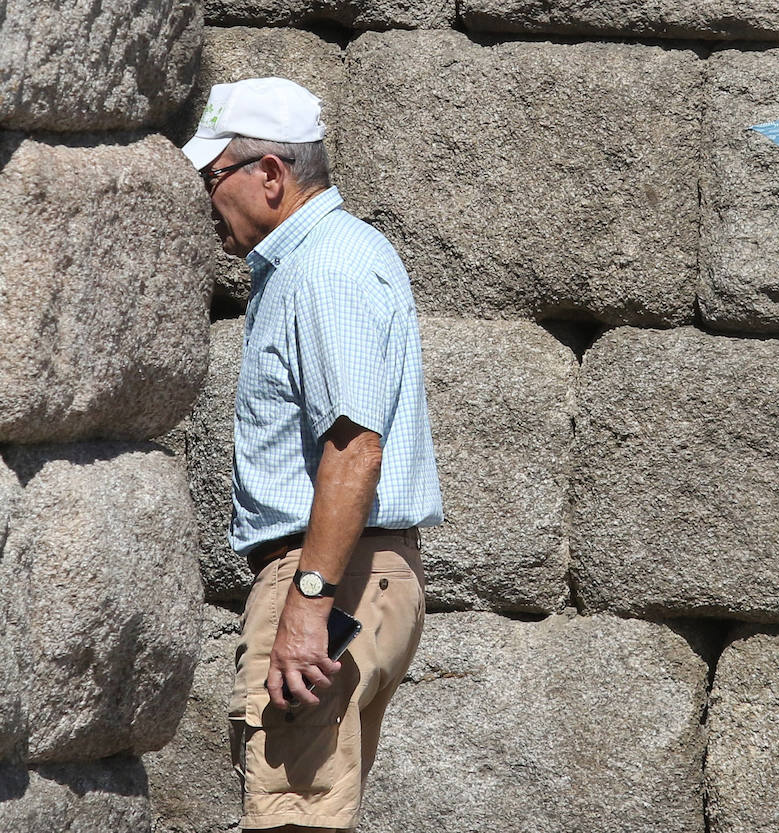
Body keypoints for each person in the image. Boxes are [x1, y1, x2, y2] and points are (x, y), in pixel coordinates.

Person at [180, 77, 443, 831]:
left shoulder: (323, 266)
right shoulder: (324, 259)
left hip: (329, 574)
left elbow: (355, 447)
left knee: (291, 815)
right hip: (351, 572)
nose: (206, 199)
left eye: (212, 177)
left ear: (270, 173)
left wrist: (309, 602)